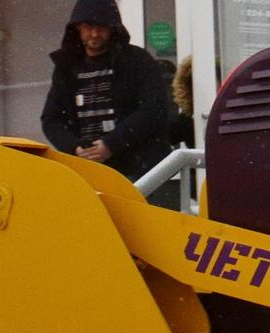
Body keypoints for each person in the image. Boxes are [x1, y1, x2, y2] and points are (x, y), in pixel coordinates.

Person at [41, 1, 177, 202]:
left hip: (140, 172)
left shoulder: (137, 60)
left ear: (113, 29)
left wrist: (111, 144)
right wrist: (75, 148)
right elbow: (51, 119)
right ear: (77, 28)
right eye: (88, 27)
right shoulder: (66, 67)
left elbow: (153, 109)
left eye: (101, 27)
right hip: (91, 176)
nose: (94, 34)